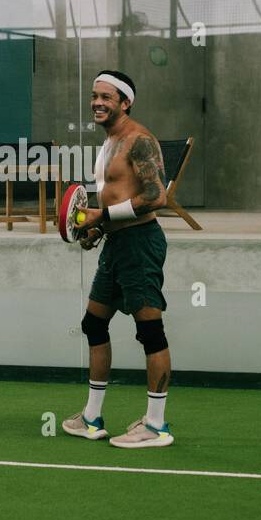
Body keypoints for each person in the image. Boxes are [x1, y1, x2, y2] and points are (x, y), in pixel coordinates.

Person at [62, 71, 173, 448]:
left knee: (150, 332)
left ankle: (156, 426)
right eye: (94, 96)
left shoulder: (138, 140)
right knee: (94, 324)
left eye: (106, 97)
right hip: (117, 242)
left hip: (141, 243)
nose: (97, 102)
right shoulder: (108, 143)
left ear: (125, 102)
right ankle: (91, 417)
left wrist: (102, 218)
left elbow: (158, 197)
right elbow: (114, 198)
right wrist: (98, 229)